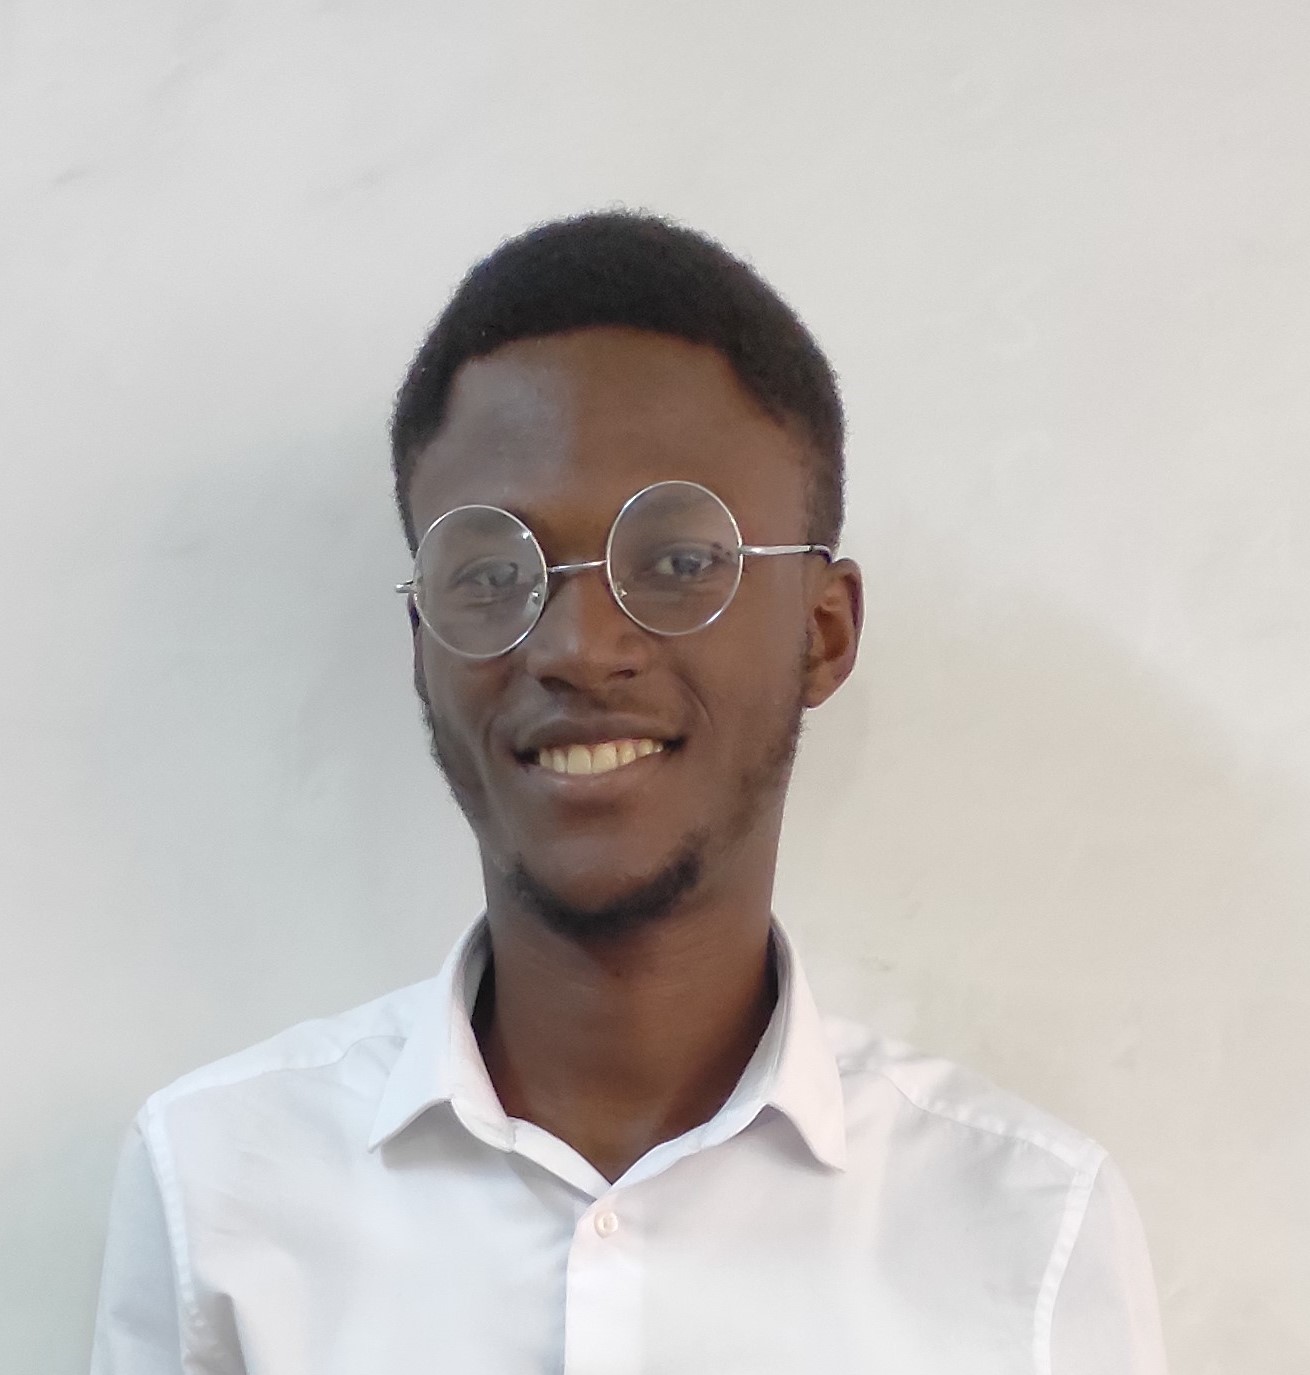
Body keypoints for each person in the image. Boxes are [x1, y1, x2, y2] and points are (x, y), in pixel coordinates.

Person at [90, 212, 1169, 1373]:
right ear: (421, 646)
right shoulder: (221, 1186)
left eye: (677, 562)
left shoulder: (1020, 1235)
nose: (576, 646)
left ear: (822, 631)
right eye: (492, 574)